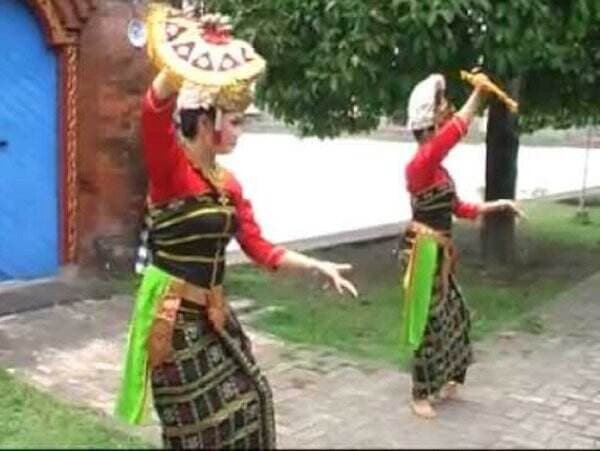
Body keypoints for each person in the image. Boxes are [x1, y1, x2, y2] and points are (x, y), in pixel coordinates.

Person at [115, 8, 357, 449]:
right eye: (238, 120)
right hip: (175, 322)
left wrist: (316, 265)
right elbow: (153, 109)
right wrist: (186, 60)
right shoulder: (172, 171)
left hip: (214, 315)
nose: (242, 130)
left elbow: (260, 247)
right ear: (206, 121)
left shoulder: (229, 185)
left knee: (253, 400)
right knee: (200, 431)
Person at [401, 73, 523, 419]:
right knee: (427, 324)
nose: (447, 109)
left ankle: (448, 377)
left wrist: (498, 205)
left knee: (457, 315)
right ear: (428, 120)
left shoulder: (438, 170)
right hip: (421, 251)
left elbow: (459, 208)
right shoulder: (420, 164)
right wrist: (477, 97)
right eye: (441, 105)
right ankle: (420, 393)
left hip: (439, 252)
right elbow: (453, 134)